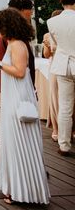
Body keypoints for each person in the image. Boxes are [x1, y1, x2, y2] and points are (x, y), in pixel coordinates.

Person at [0, 8, 50, 205]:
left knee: (20, 142)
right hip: (12, 97)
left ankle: (24, 192)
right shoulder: (13, 44)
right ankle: (17, 189)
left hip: (18, 98)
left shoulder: (17, 44)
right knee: (12, 143)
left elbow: (19, 72)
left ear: (7, 26)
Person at [0, 0, 36, 181]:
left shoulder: (13, 39)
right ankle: (8, 169)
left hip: (16, 86)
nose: (30, 14)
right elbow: (17, 69)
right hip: (15, 87)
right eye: (29, 10)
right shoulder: (12, 39)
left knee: (14, 130)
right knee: (14, 130)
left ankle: (15, 168)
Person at [48, 0, 75, 156]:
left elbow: (54, 45)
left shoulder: (52, 22)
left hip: (63, 66)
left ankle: (64, 145)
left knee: (65, 107)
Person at [43, 9, 62, 142]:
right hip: (55, 67)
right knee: (55, 97)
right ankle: (56, 128)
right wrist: (47, 45)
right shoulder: (47, 35)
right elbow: (46, 55)